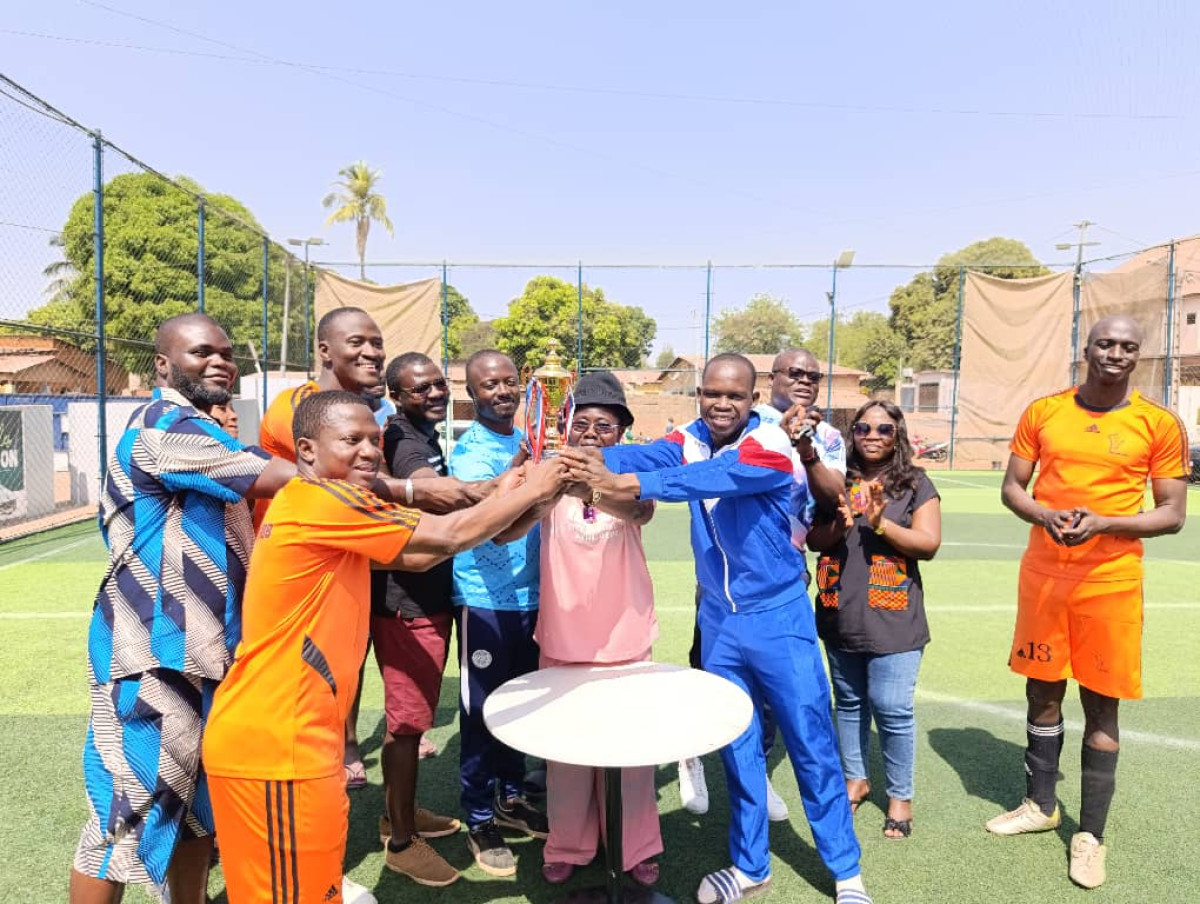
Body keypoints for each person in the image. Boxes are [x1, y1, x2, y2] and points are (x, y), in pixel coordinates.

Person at [202, 391, 568, 904]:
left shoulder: (328, 505)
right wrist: (535, 487)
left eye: (374, 439)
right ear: (306, 450)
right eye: (351, 440)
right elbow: (449, 535)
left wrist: (526, 497)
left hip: (300, 738)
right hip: (276, 742)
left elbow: (421, 555)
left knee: (315, 889)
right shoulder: (322, 501)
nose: (370, 451)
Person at [562, 354, 871, 904]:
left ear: (754, 399)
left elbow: (712, 478)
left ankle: (846, 874)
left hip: (778, 618)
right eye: (712, 394)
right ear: (700, 394)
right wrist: (583, 455)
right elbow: (644, 453)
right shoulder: (689, 438)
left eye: (734, 395)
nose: (722, 404)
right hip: (719, 624)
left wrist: (626, 480)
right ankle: (751, 867)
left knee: (811, 744)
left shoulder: (770, 442)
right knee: (738, 748)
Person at [68, 313, 296, 904]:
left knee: (196, 812)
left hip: (207, 650)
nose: (221, 362)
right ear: (163, 365)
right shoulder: (163, 425)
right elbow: (280, 476)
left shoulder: (206, 430)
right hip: (154, 651)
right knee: (125, 817)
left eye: (226, 352)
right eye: (201, 352)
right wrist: (402, 488)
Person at [985, 316, 1188, 889]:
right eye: (1106, 343)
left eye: (1128, 346)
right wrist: (1045, 514)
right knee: (1042, 692)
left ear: (1138, 355)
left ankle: (1091, 836)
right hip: (1045, 577)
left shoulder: (1158, 423)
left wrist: (1103, 523)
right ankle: (1040, 804)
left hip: (1111, 583)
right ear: (1087, 348)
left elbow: (1172, 513)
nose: (1116, 353)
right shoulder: (1044, 411)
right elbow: (1012, 488)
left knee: (1102, 706)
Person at [497, 372, 663, 888]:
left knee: (631, 754)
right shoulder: (547, 473)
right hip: (564, 634)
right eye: (581, 423)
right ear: (564, 426)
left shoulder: (630, 474)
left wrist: (590, 484)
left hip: (626, 635)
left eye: (605, 425)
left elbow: (639, 511)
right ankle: (568, 843)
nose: (592, 433)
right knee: (566, 754)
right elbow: (506, 529)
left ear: (621, 433)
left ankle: (633, 846)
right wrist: (540, 484)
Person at [679, 347, 847, 820]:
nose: (805, 380)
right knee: (711, 673)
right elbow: (708, 466)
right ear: (770, 381)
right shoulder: (742, 421)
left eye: (813, 374)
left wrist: (806, 448)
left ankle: (759, 774)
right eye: (794, 372)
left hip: (783, 576)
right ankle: (691, 754)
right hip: (723, 578)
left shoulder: (828, 435)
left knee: (777, 692)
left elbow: (835, 496)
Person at [806, 400, 941, 840]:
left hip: (894, 616)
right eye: (863, 427)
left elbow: (928, 544)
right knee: (848, 702)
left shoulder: (915, 483)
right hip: (840, 609)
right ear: (853, 434)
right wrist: (842, 524)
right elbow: (814, 539)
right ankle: (856, 779)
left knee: (892, 707)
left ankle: (900, 795)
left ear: (897, 435)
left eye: (884, 429)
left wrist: (881, 524)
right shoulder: (835, 479)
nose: (872, 436)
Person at [450, 349, 550, 877]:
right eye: (489, 384)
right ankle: (480, 816)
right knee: (482, 713)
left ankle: (511, 798)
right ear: (472, 394)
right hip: (484, 600)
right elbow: (491, 520)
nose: (502, 391)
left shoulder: (526, 441)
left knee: (522, 706)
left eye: (510, 381)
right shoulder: (471, 454)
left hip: (532, 598)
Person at [370, 353, 468, 886]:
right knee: (406, 726)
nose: (434, 393)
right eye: (419, 388)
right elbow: (427, 487)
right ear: (396, 396)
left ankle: (398, 814)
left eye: (438, 384)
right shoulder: (403, 439)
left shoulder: (418, 433)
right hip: (407, 602)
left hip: (424, 595)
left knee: (411, 720)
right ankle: (403, 843)